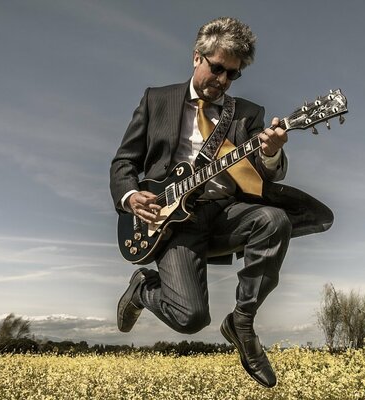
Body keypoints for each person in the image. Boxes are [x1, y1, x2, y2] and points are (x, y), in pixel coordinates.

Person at [110, 17, 332, 388]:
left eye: (233, 74)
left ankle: (242, 323)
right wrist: (131, 196)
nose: (223, 80)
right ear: (197, 57)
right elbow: (124, 162)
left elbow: (264, 172)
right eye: (217, 69)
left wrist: (273, 152)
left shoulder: (248, 114)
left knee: (274, 221)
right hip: (171, 223)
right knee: (190, 318)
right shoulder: (156, 99)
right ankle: (142, 289)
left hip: (227, 213)